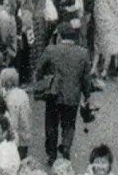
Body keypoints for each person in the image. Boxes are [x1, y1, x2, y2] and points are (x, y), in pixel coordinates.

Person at [33, 19, 93, 162]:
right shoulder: (83, 53)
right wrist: (87, 95)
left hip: (53, 93)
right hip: (72, 95)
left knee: (51, 123)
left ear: (60, 36)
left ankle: (51, 152)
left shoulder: (51, 50)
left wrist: (43, 81)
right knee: (69, 123)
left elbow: (39, 70)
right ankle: (66, 146)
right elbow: (86, 78)